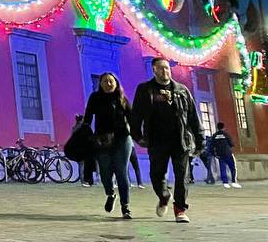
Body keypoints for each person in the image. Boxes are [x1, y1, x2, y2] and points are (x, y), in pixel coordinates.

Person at [132, 58, 204, 224]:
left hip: (180, 140)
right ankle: (164, 196)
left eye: (167, 68)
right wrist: (137, 136)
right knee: (157, 175)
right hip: (157, 141)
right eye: (161, 68)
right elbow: (136, 115)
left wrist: (200, 139)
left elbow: (193, 116)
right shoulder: (145, 90)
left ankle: (180, 209)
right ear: (154, 70)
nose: (165, 71)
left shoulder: (182, 90)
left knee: (182, 176)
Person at [84, 72, 134, 218]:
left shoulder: (122, 98)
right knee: (105, 172)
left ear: (116, 83)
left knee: (121, 172)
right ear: (100, 84)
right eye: (105, 81)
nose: (108, 84)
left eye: (111, 81)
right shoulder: (95, 98)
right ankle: (111, 194)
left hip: (122, 139)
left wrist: (139, 135)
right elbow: (88, 117)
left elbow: (132, 118)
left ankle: (125, 207)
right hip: (102, 140)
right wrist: (85, 133)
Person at [210, 122, 242, 189]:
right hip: (228, 154)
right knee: (233, 168)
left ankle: (225, 183)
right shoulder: (226, 134)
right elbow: (232, 144)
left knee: (223, 168)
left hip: (220, 154)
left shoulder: (214, 135)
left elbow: (211, 146)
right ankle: (234, 182)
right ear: (223, 127)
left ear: (217, 127)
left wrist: (215, 154)